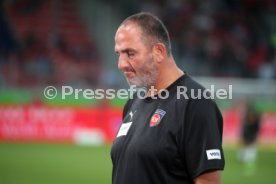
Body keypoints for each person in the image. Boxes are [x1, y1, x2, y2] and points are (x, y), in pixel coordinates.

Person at [111, 12, 225, 184]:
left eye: (130, 53)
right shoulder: (133, 102)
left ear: (158, 52)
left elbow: (208, 181)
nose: (121, 64)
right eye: (118, 54)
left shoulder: (195, 102)